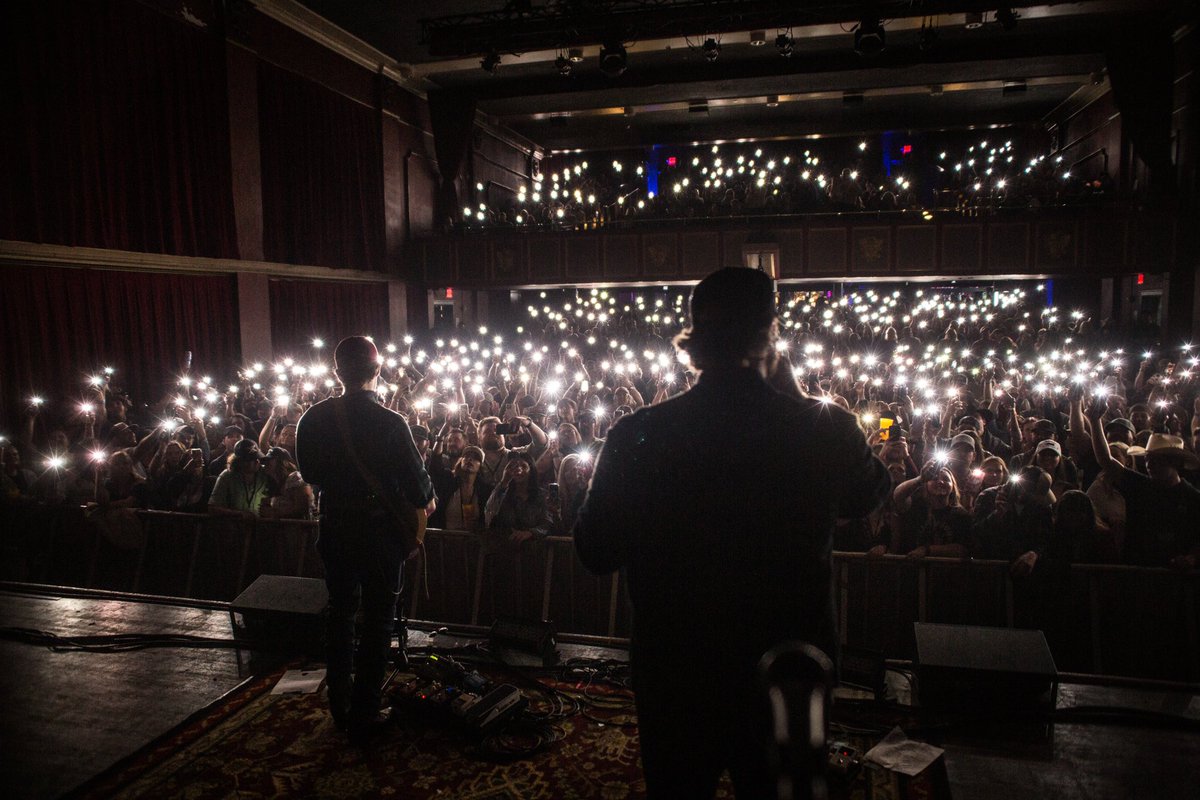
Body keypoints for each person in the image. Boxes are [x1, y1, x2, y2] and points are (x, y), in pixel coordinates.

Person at [573, 267, 890, 798]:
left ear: (693, 339)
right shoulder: (824, 430)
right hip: (788, 666)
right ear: (771, 332)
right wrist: (794, 392)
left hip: (677, 668)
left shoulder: (639, 434)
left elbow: (594, 550)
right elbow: (869, 494)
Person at [295, 336, 436, 746]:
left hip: (336, 528)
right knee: (377, 622)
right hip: (379, 537)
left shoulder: (312, 419)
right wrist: (426, 500)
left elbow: (310, 475)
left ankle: (339, 705)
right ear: (379, 370)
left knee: (340, 616)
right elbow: (419, 489)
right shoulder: (391, 423)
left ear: (337, 372)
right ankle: (366, 708)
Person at [1086, 400, 1200, 569]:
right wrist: (1095, 422)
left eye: (1156, 460)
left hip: (1176, 580)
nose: (1149, 465)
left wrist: (1192, 558)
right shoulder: (1139, 485)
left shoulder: (1193, 498)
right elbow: (1106, 460)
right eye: (1147, 459)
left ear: (1175, 462)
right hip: (1136, 573)